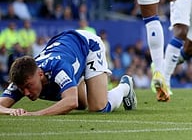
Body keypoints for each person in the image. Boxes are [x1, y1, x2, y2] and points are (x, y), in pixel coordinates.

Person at [0, 29, 136, 116]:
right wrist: (11, 111)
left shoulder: (57, 68)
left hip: (88, 46)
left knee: (98, 107)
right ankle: (77, 81)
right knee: (83, 104)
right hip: (67, 47)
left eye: (29, 86)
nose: (26, 93)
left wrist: (36, 114)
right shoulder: (24, 76)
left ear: (40, 74)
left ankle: (125, 86)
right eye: (22, 88)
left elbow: (71, 102)